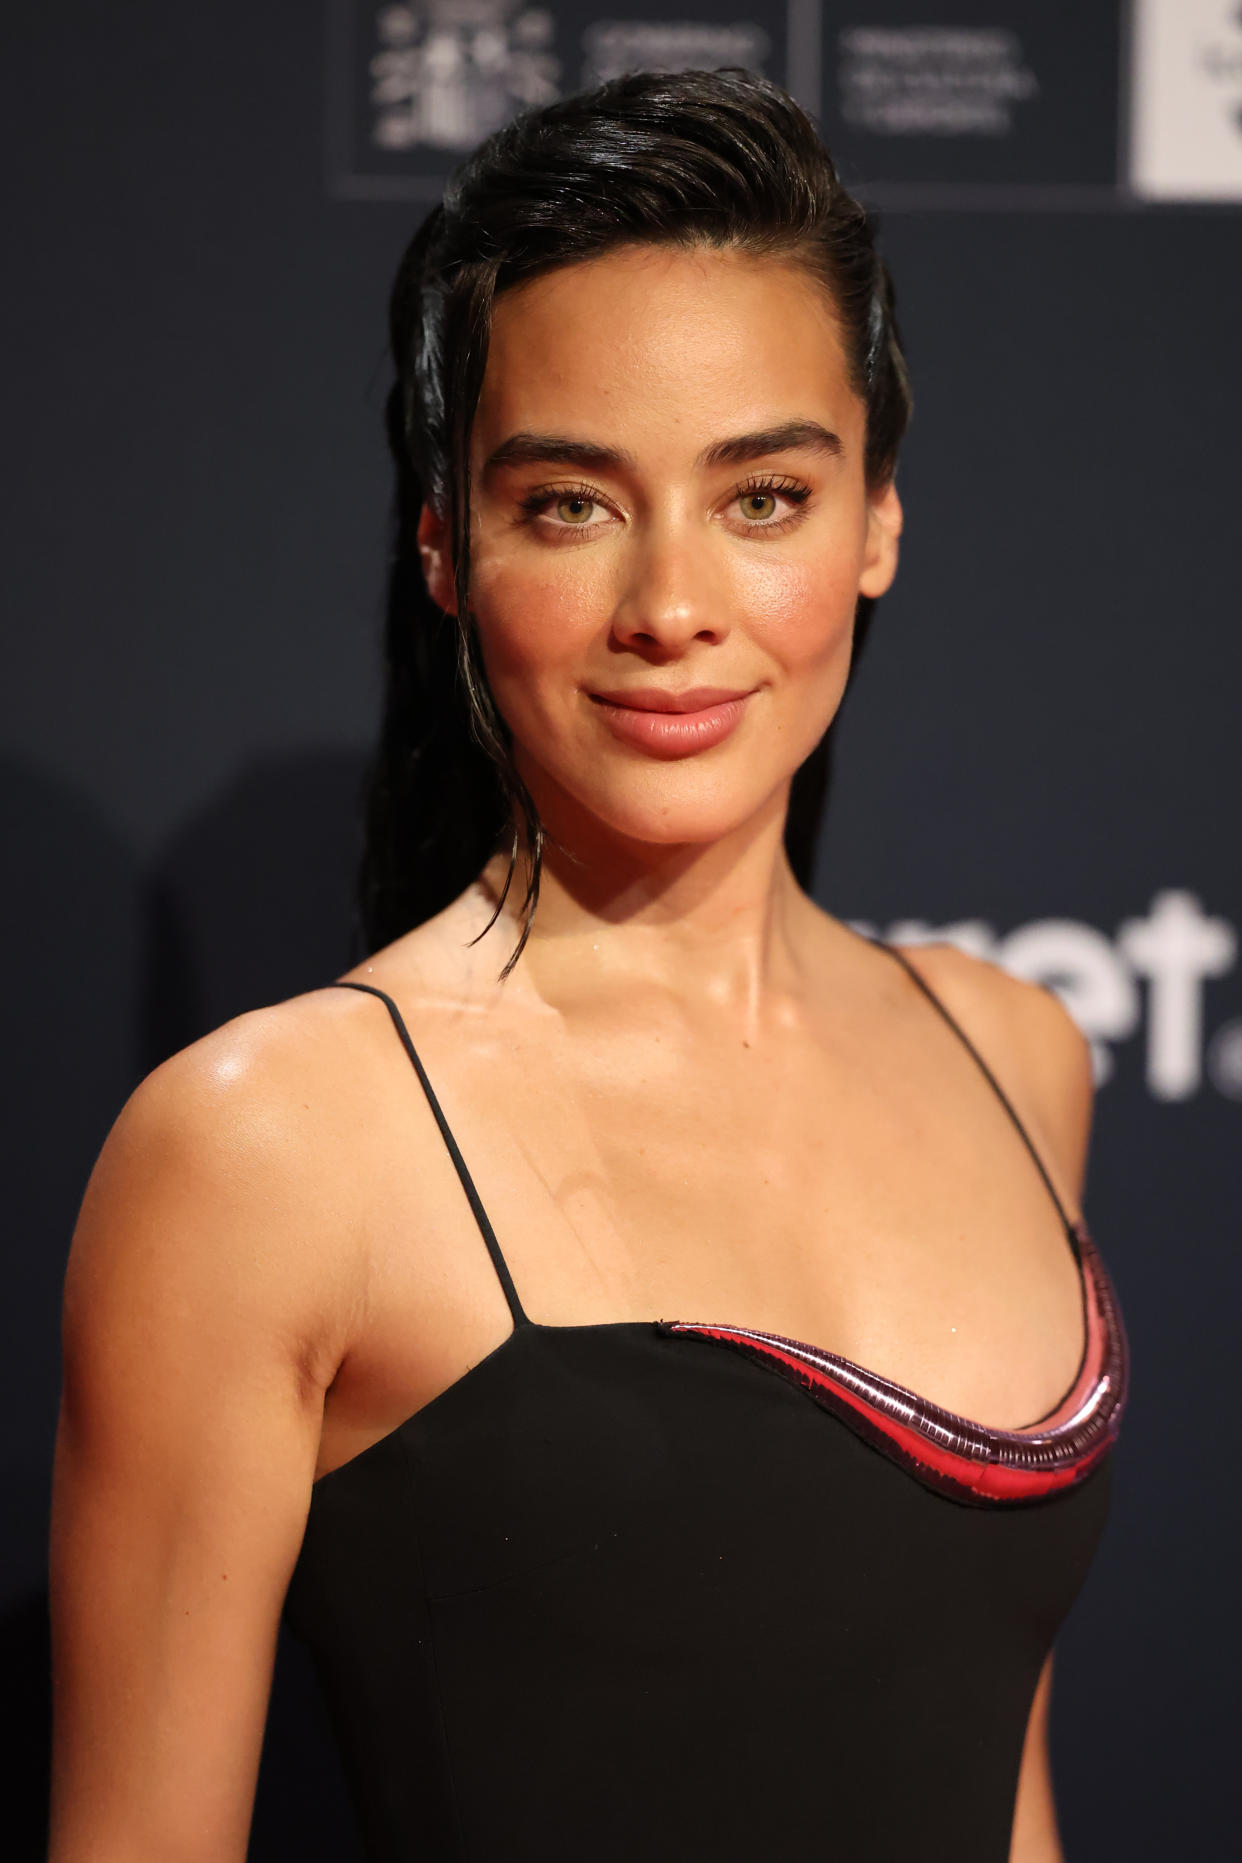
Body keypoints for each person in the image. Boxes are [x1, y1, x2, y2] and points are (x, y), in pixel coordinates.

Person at [48, 66, 1127, 1863]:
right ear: (447, 551)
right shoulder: (274, 1146)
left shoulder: (1011, 1054)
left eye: (762, 497)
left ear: (874, 522)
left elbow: (987, 1771)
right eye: (568, 504)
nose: (670, 603)